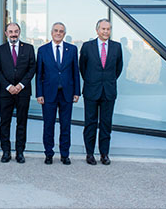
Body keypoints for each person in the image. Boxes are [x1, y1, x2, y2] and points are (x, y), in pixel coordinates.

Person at [79, 18, 123, 166]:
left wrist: (107, 81)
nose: (106, 31)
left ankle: (104, 154)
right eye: (103, 29)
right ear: (97, 30)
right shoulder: (87, 46)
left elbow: (118, 68)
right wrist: (92, 80)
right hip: (91, 90)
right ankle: (90, 154)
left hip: (108, 91)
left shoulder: (117, 47)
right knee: (90, 123)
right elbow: (82, 68)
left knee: (106, 124)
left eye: (108, 29)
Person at [36, 22, 80, 165]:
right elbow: (39, 74)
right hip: (48, 94)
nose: (58, 33)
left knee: (65, 125)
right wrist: (39, 93)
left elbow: (75, 72)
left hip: (67, 93)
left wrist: (77, 92)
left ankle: (65, 154)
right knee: (48, 125)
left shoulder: (72, 49)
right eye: (56, 30)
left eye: (61, 31)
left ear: (64, 34)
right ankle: (49, 153)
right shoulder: (43, 50)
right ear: (51, 32)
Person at [0, 22, 36, 164]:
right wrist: (8, 86)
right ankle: (6, 152)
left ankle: (20, 152)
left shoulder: (29, 48)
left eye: (16, 31)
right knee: (5, 122)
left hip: (23, 92)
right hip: (6, 93)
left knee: (22, 122)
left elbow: (32, 68)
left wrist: (20, 85)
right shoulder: (0, 50)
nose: (13, 34)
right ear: (6, 33)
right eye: (10, 31)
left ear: (19, 32)